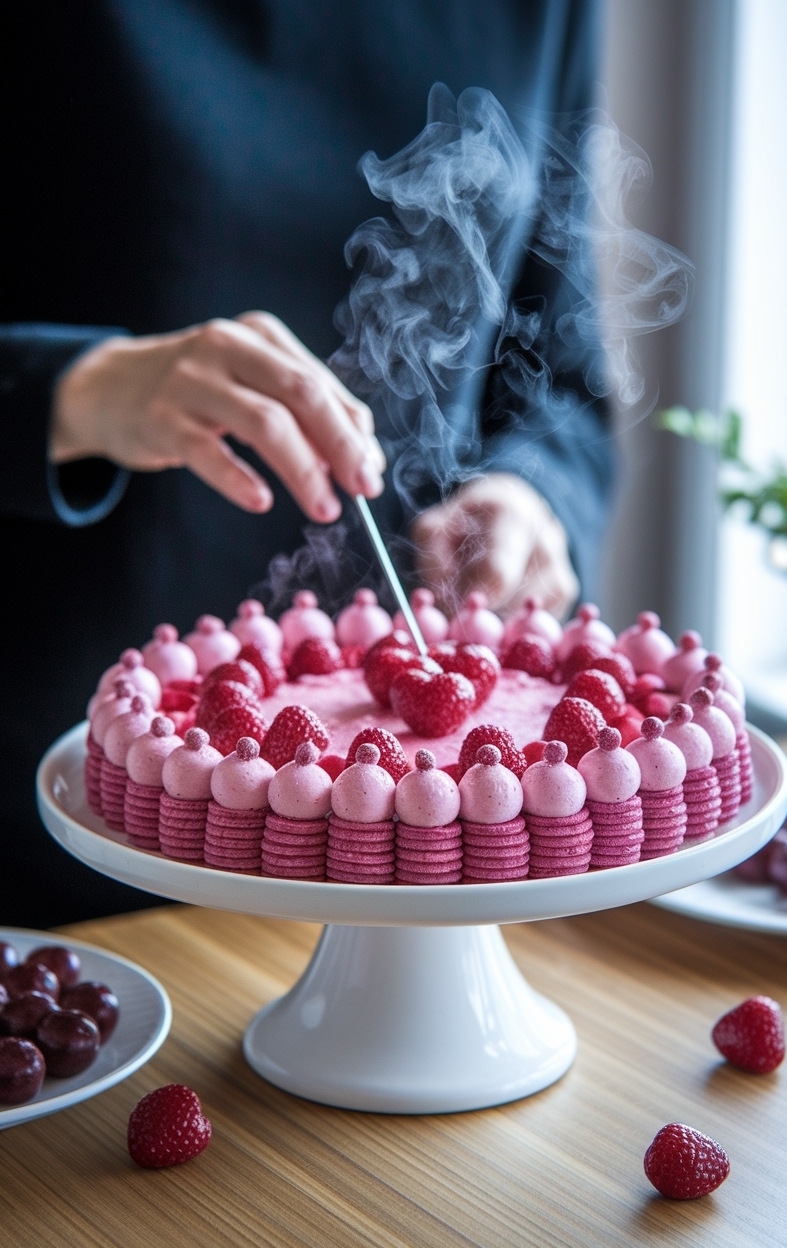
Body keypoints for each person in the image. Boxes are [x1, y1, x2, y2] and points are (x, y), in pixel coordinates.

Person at [1, 0, 612, 926]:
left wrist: (530, 490)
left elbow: (565, 377)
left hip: (439, 846)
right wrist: (72, 388)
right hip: (75, 851)